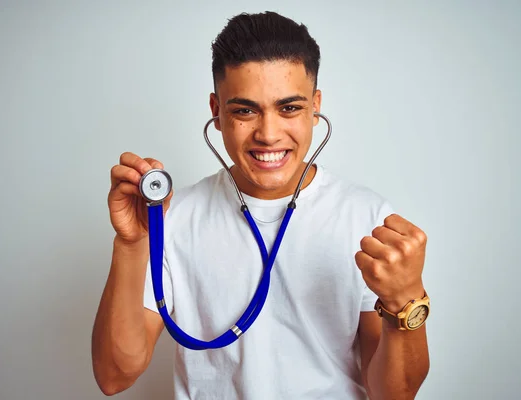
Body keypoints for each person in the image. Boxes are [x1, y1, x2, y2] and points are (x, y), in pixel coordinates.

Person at [92, 11, 430, 399]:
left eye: (289, 108)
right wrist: (132, 244)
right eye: (244, 110)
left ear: (315, 108)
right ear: (216, 112)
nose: (268, 135)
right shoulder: (173, 218)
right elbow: (114, 376)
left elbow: (394, 394)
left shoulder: (367, 219)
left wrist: (407, 300)